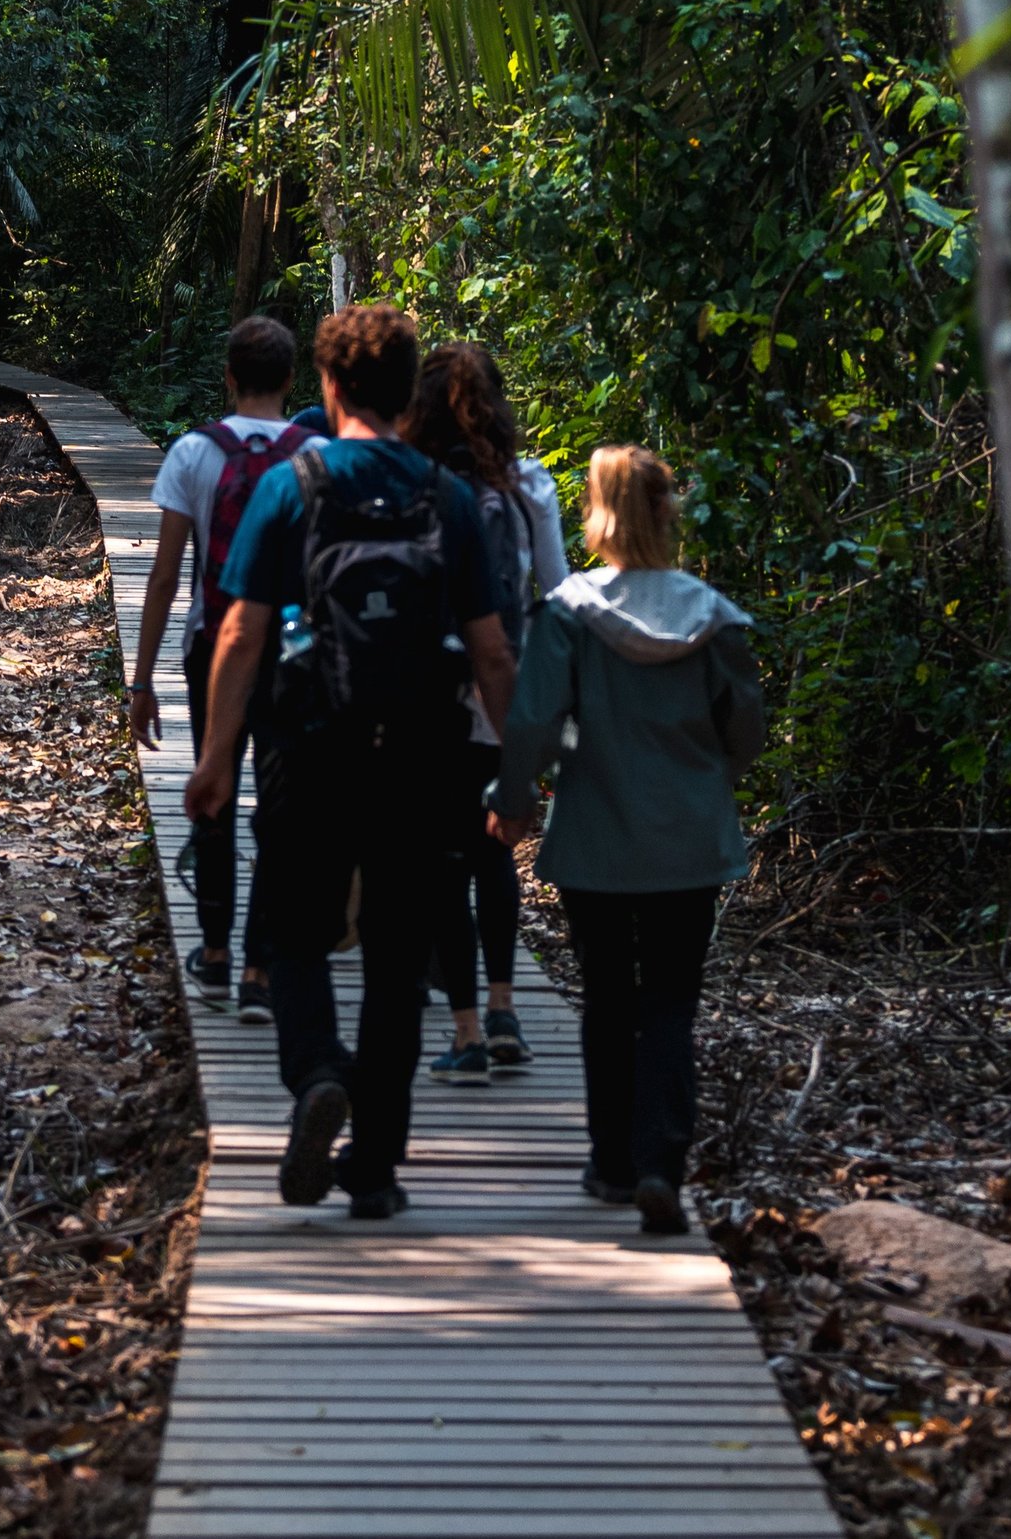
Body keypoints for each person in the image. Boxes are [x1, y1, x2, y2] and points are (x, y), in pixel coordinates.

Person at [190, 303, 516, 1221]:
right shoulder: (443, 494)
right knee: (396, 959)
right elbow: (491, 652)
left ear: (327, 386)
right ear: (406, 389)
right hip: (422, 757)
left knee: (295, 936)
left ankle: (315, 1075)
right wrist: (521, 774)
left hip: (308, 747)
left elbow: (242, 631)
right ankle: (373, 1166)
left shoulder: (290, 486)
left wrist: (217, 757)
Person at [489, 445, 768, 1236]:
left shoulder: (569, 612)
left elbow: (534, 721)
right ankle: (661, 1166)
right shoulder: (712, 615)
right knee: (671, 1002)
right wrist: (705, 776)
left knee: (608, 997)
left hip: (596, 838)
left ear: (597, 513)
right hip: (688, 840)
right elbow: (743, 730)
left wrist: (511, 800)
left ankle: (610, 1162)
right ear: (666, 512)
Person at [127, 315, 325, 1021]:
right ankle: (258, 969)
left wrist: (141, 679)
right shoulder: (316, 454)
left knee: (213, 787)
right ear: (291, 380)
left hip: (211, 643)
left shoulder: (192, 452)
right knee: (279, 810)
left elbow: (161, 577)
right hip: (292, 653)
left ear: (228, 377)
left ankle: (212, 951)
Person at [397, 343, 569, 1085]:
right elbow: (557, 590)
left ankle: (464, 1029)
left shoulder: (413, 483)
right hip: (509, 689)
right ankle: (504, 1010)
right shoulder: (530, 482)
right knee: (495, 847)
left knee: (442, 861)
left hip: (428, 692)